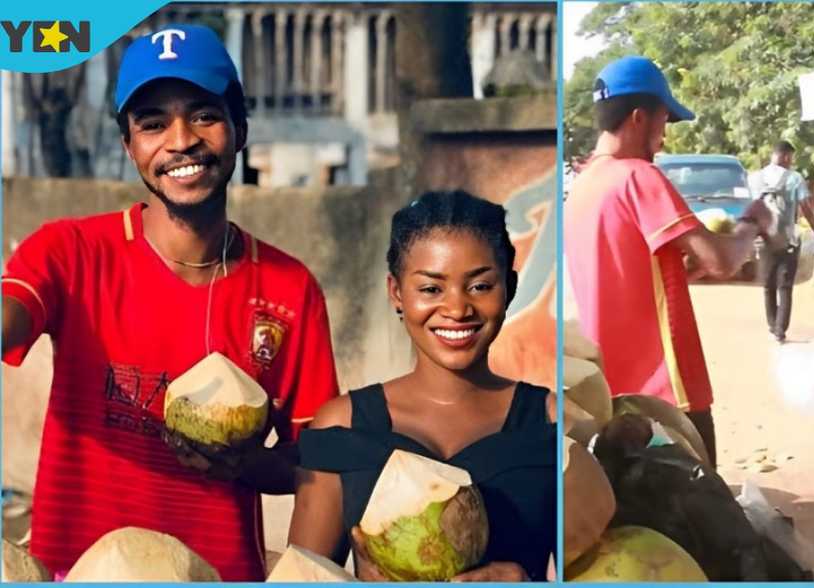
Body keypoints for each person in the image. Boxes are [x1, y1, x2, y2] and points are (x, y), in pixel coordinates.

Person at [0, 25, 340, 581]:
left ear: (240, 128)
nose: (180, 140)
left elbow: (315, 459)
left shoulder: (288, 288)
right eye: (153, 123)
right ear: (129, 146)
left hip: (224, 575)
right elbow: (11, 316)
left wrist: (250, 464)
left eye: (203, 114)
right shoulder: (72, 251)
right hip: (78, 571)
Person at [289, 191, 557, 582]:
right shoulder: (342, 423)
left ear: (509, 288)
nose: (457, 309)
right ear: (397, 293)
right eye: (431, 289)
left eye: (480, 286)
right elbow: (300, 577)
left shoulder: (552, 421)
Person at [564, 55, 772, 467]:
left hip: (611, 396)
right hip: (666, 395)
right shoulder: (639, 177)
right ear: (639, 117)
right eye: (664, 121)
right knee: (700, 520)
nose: (664, 137)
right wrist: (752, 222)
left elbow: (628, 272)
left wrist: (681, 271)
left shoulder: (584, 185)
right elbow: (723, 261)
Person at [750, 140, 814, 343]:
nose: (791, 162)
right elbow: (807, 209)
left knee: (768, 285)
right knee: (785, 286)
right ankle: (780, 331)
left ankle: (771, 324)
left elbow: (750, 209)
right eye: (791, 158)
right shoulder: (795, 179)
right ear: (785, 156)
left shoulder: (756, 178)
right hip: (789, 241)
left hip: (765, 240)